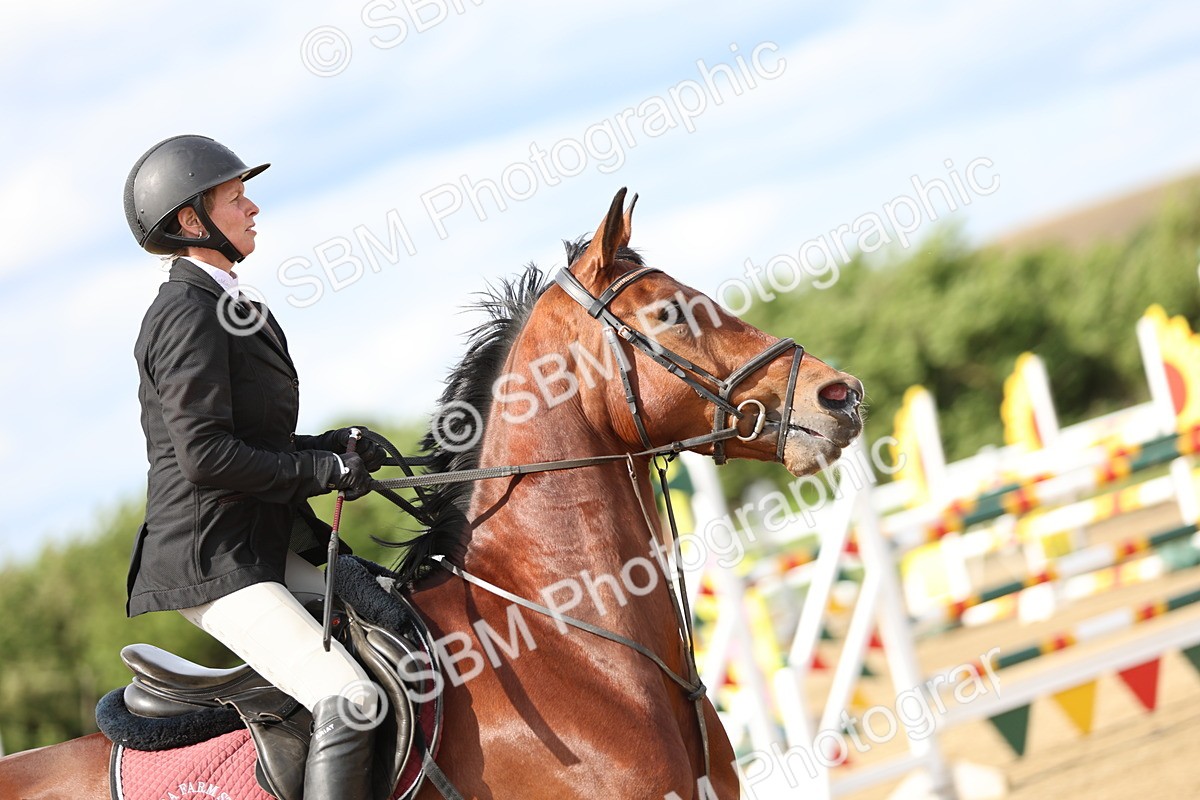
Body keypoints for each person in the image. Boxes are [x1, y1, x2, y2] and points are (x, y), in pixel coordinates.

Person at [124, 134, 381, 800]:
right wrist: (322, 471)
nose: (253, 207)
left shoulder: (229, 305)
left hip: (257, 545)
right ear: (191, 220)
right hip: (213, 560)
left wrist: (337, 446)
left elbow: (256, 441)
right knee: (349, 695)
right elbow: (206, 458)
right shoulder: (185, 314)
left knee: (391, 617)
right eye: (237, 198)